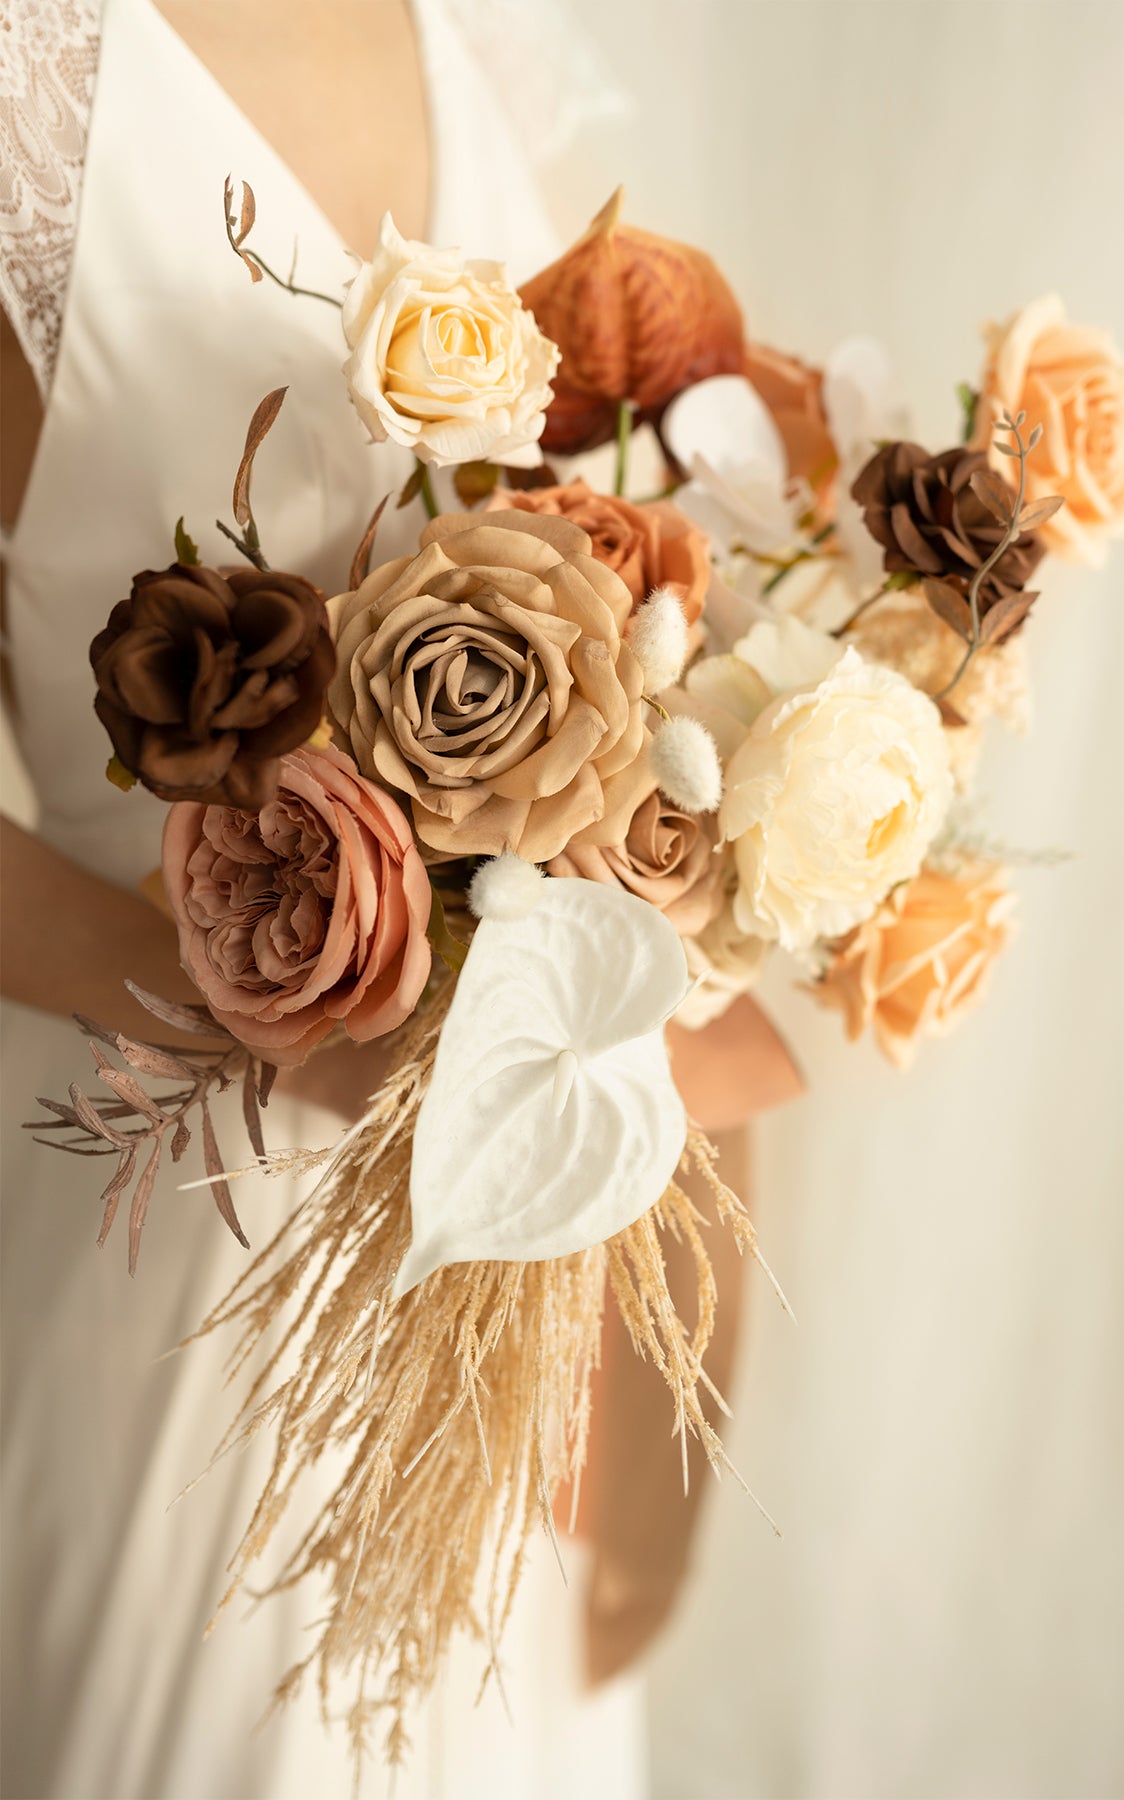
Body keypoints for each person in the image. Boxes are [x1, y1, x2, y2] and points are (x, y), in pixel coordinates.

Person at [0, 4, 798, 1794]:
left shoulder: (490, 46)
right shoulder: (30, 95)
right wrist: (272, 995)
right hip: (175, 1225)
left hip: (524, 1262)